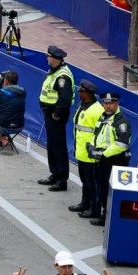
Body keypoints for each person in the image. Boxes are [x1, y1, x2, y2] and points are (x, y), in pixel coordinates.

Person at [88, 91, 132, 227]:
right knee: (102, 191)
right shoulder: (103, 117)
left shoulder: (121, 121)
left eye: (111, 103)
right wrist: (91, 145)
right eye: (106, 103)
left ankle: (112, 221)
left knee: (112, 193)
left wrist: (104, 153)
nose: (108, 106)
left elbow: (122, 144)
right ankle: (104, 217)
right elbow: (97, 135)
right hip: (103, 161)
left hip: (115, 161)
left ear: (117, 103)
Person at [38, 46, 74, 192]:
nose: (47, 58)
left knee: (58, 147)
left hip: (56, 116)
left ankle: (62, 179)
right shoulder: (55, 72)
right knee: (52, 145)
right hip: (50, 114)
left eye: (48, 56)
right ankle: (55, 173)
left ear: (54, 58)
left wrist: (56, 114)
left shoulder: (62, 77)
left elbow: (64, 100)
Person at [69, 81, 103, 219]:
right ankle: (85, 203)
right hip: (81, 150)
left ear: (86, 93)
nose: (78, 93)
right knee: (85, 180)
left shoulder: (97, 110)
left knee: (91, 182)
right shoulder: (83, 106)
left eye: (80, 91)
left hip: (90, 153)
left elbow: (99, 132)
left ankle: (94, 208)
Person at [0, 70, 27, 150]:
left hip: (4, 127)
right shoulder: (23, 92)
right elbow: (11, 96)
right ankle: (5, 138)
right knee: (9, 112)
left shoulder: (0, 93)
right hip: (19, 127)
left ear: (6, 82)